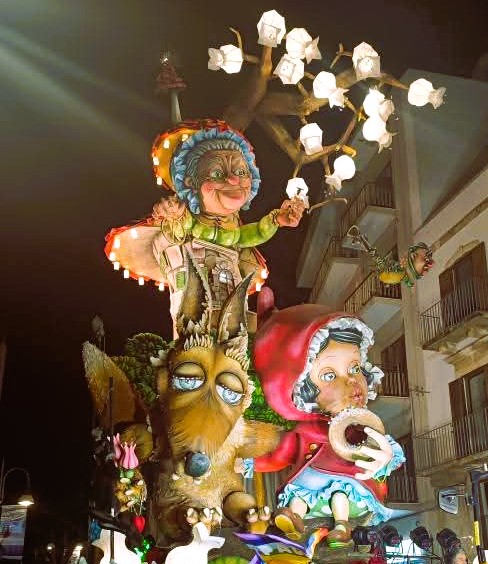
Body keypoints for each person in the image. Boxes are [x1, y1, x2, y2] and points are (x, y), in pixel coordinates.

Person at [253, 305, 405, 546]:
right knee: (298, 498)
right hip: (309, 487)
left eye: (355, 368)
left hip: (349, 484)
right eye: (329, 375)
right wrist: (250, 463)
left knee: (340, 496)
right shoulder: (303, 431)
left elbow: (381, 449)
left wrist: (384, 459)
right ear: (301, 387)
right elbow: (279, 456)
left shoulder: (357, 427)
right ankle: (293, 518)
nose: (353, 381)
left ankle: (341, 526)